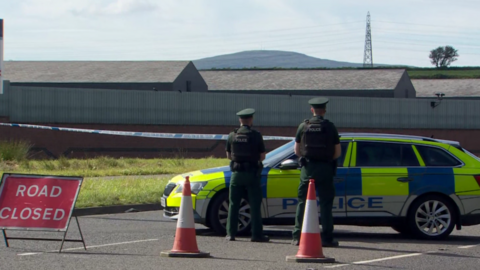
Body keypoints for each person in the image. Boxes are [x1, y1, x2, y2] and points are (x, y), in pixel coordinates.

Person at [291, 97, 341, 247]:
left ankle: (297, 237)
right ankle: (327, 238)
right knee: (326, 204)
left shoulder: (303, 126)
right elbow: (337, 152)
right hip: (325, 169)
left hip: (308, 169)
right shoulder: (330, 127)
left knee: (302, 202)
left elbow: (297, 150)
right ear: (324, 110)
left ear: (311, 110)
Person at [225, 108, 270, 242]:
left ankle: (230, 234)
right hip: (252, 174)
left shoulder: (232, 135)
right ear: (251, 120)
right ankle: (256, 235)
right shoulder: (256, 135)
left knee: (233, 204)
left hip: (237, 174)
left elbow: (228, 155)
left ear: (240, 120)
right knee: (255, 204)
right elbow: (262, 156)